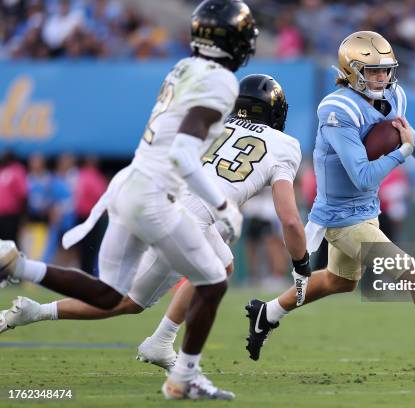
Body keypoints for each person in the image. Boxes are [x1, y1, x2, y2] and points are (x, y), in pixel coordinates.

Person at [0, 0, 257, 400]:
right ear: (234, 40)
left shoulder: (184, 67)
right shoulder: (221, 81)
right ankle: (184, 378)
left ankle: (19, 264)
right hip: (154, 194)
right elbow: (184, 155)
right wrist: (223, 208)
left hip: (127, 183)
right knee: (214, 279)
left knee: (109, 295)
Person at [0, 74, 309, 379]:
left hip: (153, 192)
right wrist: (301, 265)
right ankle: (31, 295)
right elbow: (291, 219)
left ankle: (160, 342)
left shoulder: (214, 125)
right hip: (184, 216)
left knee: (222, 267)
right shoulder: (285, 144)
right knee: (126, 301)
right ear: (275, 110)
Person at [244, 31, 415, 366]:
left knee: (338, 281)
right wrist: (401, 151)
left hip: (366, 211)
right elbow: (363, 175)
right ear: (351, 70)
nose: (381, 77)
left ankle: (266, 312)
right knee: (414, 274)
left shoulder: (394, 98)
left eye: (385, 70)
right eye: (372, 71)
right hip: (341, 217)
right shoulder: (337, 109)